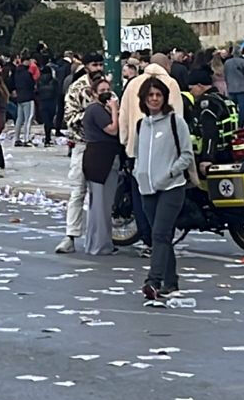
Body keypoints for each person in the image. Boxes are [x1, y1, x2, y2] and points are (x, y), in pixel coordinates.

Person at [131, 77, 194, 302]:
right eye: (150, 96)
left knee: (160, 233)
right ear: (144, 100)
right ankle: (171, 281)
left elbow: (187, 154)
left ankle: (153, 281)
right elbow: (138, 154)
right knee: (160, 237)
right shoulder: (141, 125)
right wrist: (139, 173)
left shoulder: (176, 123)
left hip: (171, 187)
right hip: (147, 189)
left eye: (158, 95)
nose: (155, 99)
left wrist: (170, 172)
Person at [56, 54, 105, 254]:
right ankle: (71, 235)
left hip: (103, 146)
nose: (98, 68)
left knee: (101, 194)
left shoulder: (107, 84)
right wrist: (93, 115)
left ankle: (101, 236)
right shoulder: (76, 89)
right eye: (94, 64)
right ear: (86, 66)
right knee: (78, 191)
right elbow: (69, 117)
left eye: (101, 64)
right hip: (82, 144)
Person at [80, 76, 121, 256]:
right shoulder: (96, 110)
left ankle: (95, 242)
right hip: (101, 160)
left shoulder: (96, 109)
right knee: (101, 205)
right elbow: (112, 129)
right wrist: (114, 109)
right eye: (102, 91)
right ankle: (100, 245)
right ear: (94, 93)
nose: (106, 94)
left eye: (108, 90)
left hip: (98, 159)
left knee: (99, 204)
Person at [224, 46, 244, 118]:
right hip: (242, 88)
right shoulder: (243, 62)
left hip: (231, 88)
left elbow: (225, 75)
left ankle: (234, 122)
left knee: (232, 108)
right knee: (243, 108)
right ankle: (241, 124)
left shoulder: (227, 63)